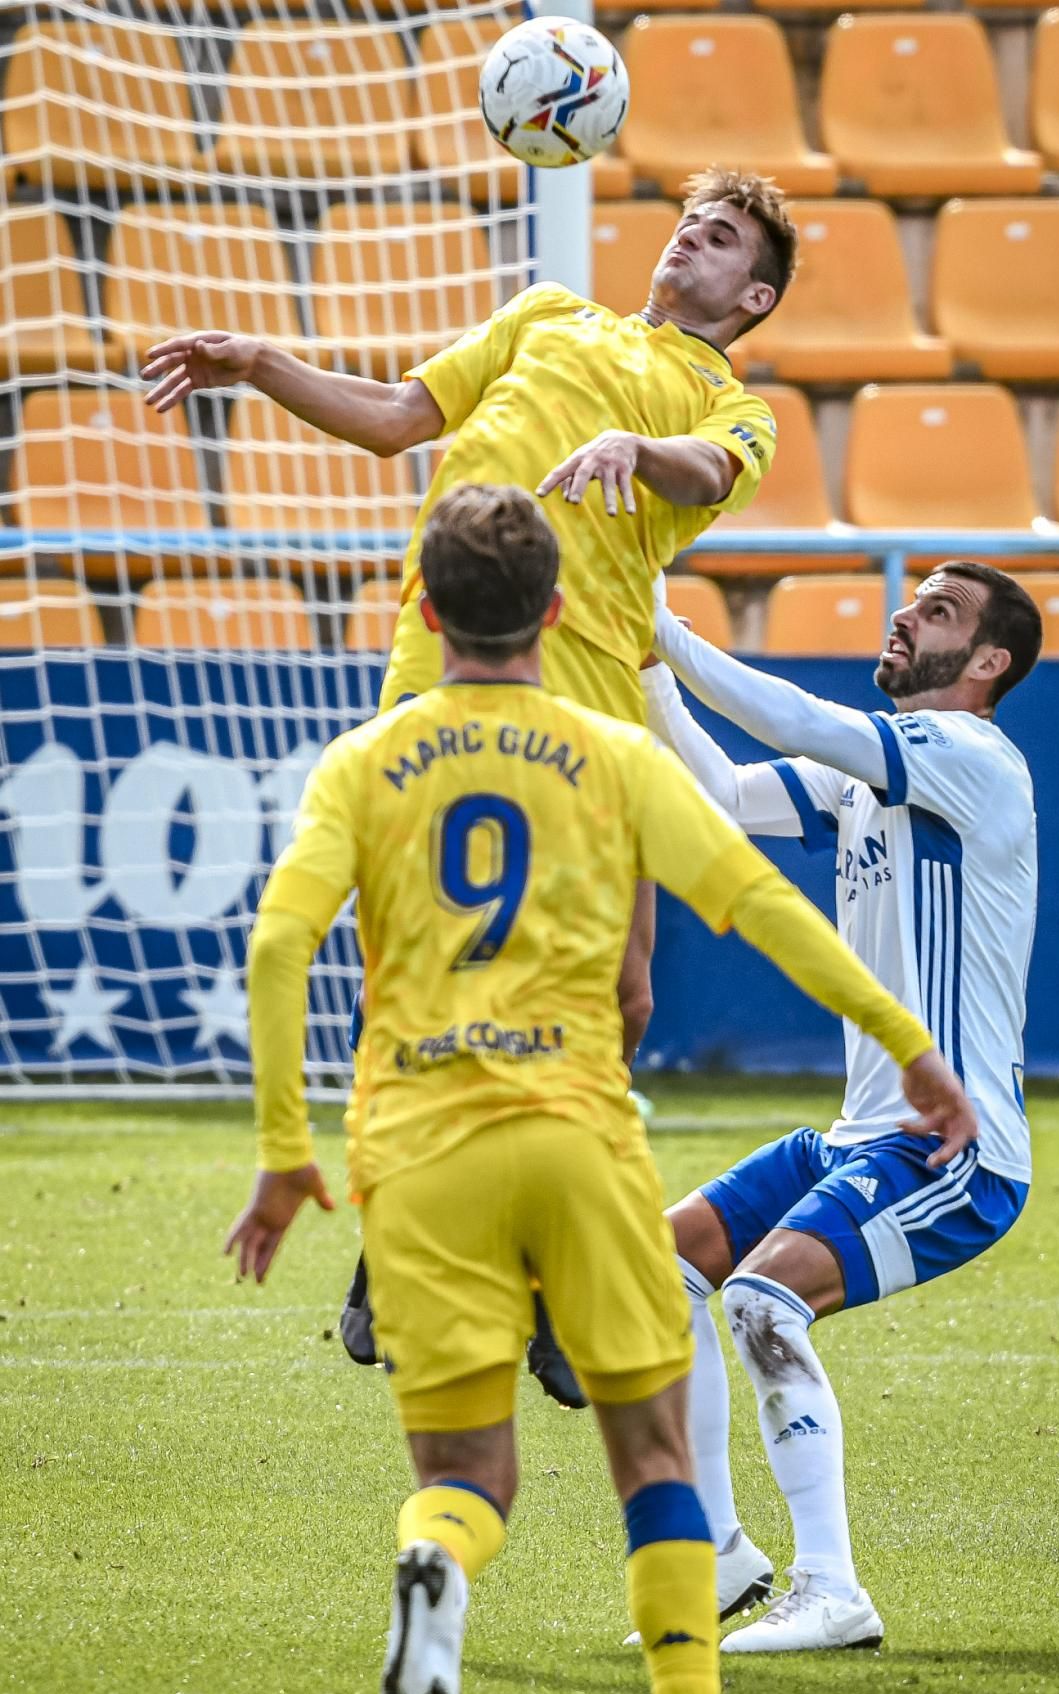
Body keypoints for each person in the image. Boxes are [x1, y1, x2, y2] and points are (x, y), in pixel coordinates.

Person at [222, 486, 976, 1694]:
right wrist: (906, 1046)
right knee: (653, 1459)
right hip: (577, 1132)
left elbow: (281, 943)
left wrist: (289, 1149)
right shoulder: (610, 753)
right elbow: (754, 905)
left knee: (467, 1474)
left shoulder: (362, 761)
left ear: (426, 608)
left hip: (417, 1148)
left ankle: (442, 1564)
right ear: (560, 612)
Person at [144, 166, 800, 1396]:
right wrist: (263, 364)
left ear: (752, 293)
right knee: (422, 956)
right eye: (685, 224)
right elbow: (400, 416)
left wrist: (635, 446)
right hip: (444, 653)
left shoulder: (735, 409)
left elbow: (707, 476)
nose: (689, 241)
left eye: (719, 238)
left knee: (625, 994)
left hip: (595, 688)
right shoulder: (547, 314)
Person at [639, 560, 1041, 1654]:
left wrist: (662, 625)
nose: (907, 614)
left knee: (763, 1302)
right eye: (912, 599)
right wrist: (646, 673)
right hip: (862, 1132)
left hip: (956, 1151)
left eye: (941, 611)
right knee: (656, 1268)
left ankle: (832, 1587)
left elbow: (801, 716)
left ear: (990, 662)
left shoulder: (968, 758)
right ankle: (723, 1558)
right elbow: (720, 799)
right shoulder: (873, 773)